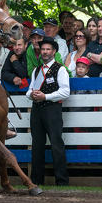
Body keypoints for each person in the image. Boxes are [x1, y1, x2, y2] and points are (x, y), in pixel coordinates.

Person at [26, 37, 69, 186]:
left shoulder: (60, 68)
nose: (45, 52)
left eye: (48, 49)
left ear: (54, 51)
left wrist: (46, 96)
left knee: (57, 144)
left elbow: (65, 92)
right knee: (37, 145)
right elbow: (30, 89)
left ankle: (62, 181)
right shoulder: (37, 70)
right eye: (43, 49)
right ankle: (36, 181)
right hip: (36, 110)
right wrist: (31, 94)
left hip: (52, 109)